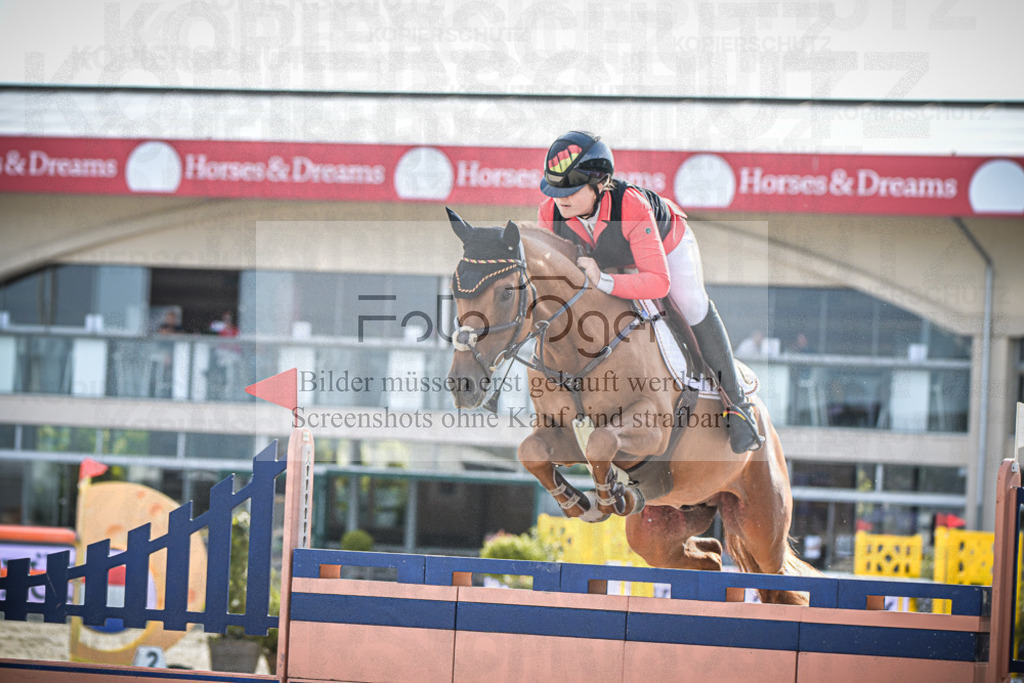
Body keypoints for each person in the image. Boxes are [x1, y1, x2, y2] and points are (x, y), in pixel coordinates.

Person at [536, 130, 763, 454]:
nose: (560, 198)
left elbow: (658, 282)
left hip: (667, 247)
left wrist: (605, 281)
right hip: (610, 260)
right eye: (554, 189)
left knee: (691, 304)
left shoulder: (630, 205)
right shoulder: (549, 214)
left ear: (599, 184)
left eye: (570, 189)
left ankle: (737, 406)